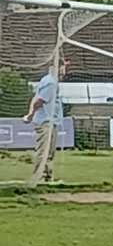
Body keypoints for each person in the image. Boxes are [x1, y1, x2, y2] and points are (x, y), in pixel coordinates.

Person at [23, 57, 68, 185]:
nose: (65, 71)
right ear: (58, 67)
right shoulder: (51, 83)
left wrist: (30, 114)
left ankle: (48, 177)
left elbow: (36, 98)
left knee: (49, 152)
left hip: (50, 121)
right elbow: (38, 101)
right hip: (46, 121)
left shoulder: (49, 80)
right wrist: (31, 114)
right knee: (44, 151)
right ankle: (40, 178)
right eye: (64, 67)